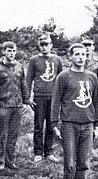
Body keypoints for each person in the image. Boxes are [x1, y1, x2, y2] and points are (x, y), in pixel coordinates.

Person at [51, 43, 98, 179]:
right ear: (70, 56)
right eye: (77, 54)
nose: (81, 57)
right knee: (70, 164)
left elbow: (96, 102)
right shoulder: (64, 77)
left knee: (83, 164)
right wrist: (54, 123)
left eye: (84, 54)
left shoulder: (92, 77)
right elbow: (56, 101)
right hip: (69, 125)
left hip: (87, 125)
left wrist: (97, 124)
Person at [0, 41, 29, 169]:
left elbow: (23, 84)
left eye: (13, 51)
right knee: (2, 135)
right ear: (4, 52)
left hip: (17, 105)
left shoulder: (19, 66)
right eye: (9, 50)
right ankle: (0, 162)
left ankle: (10, 161)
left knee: (13, 135)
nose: (11, 53)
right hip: (3, 105)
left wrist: (26, 100)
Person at [26, 33, 63, 162]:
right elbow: (28, 79)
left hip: (53, 97)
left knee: (51, 125)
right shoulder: (34, 60)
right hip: (39, 97)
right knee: (38, 125)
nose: (44, 47)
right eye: (41, 44)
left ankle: (49, 152)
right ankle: (38, 152)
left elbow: (61, 79)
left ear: (51, 45)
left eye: (46, 44)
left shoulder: (57, 60)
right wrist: (28, 97)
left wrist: (61, 98)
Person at [81, 35, 98, 102]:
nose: (87, 48)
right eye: (85, 45)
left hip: (93, 92)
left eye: (89, 45)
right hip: (80, 91)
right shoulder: (78, 62)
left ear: (93, 47)